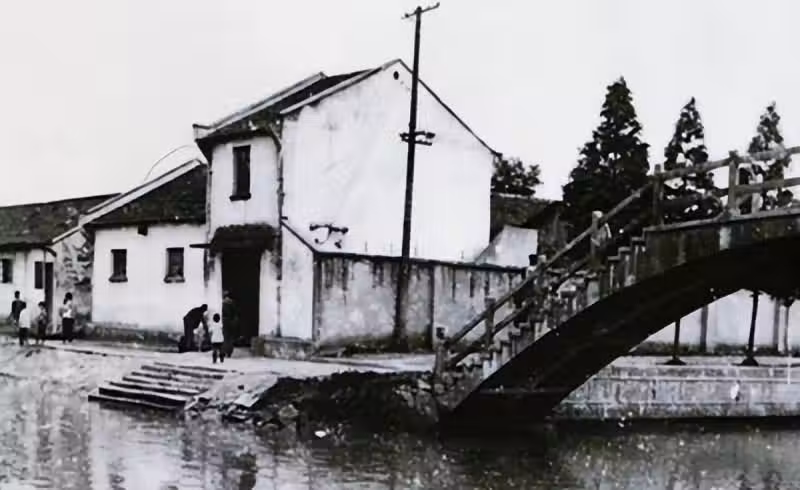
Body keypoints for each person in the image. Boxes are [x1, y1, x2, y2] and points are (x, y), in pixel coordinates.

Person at [221, 291, 238, 357]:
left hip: (225, 322)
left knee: (225, 337)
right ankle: (229, 352)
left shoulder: (223, 303)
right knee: (230, 338)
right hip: (231, 322)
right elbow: (235, 313)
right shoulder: (232, 303)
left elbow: (223, 313)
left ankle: (225, 351)